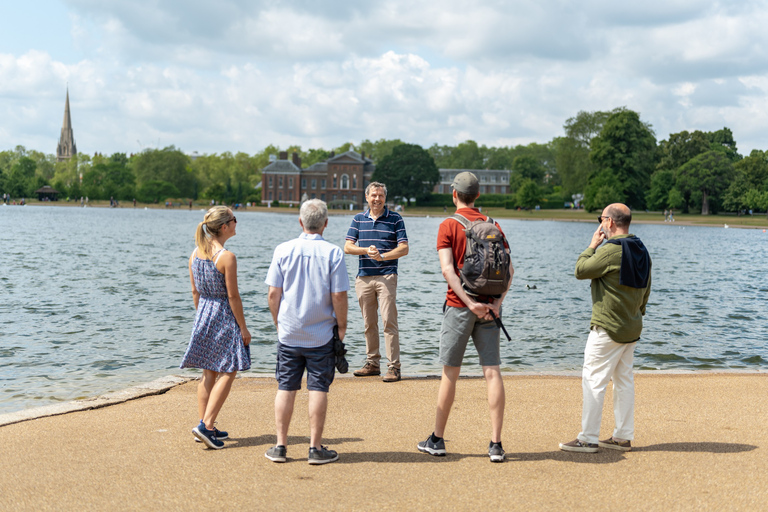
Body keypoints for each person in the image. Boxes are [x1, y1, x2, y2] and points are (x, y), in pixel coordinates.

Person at [418, 172, 513, 463]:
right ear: (478, 196)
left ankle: (437, 439)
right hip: (491, 309)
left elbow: (448, 270)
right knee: (492, 371)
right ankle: (495, 444)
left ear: (453, 194)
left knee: (450, 373)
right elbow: (510, 271)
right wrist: (496, 302)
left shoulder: (448, 224)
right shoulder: (493, 225)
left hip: (459, 306)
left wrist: (470, 303)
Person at [559, 203, 652, 453]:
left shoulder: (611, 251)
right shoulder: (641, 249)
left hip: (608, 328)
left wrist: (592, 245)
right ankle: (622, 437)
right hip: (631, 328)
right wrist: (635, 314)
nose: (599, 224)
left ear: (609, 222)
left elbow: (581, 270)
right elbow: (646, 290)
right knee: (624, 381)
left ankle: (587, 437)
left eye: (600, 219)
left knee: (593, 380)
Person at [264, 199, 349, 465]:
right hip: (321, 333)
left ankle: (280, 446)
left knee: (286, 387)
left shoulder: (283, 249)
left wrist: (278, 321)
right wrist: (342, 325)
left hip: (289, 332)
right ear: (326, 223)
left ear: (300, 222)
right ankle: (314, 448)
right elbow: (338, 296)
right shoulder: (334, 253)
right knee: (317, 388)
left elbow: (273, 293)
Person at [180, 206, 251, 449]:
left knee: (208, 371)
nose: (236, 223)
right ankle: (206, 426)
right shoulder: (226, 257)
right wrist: (243, 328)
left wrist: (201, 315)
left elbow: (194, 291)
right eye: (234, 220)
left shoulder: (195, 253)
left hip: (204, 314)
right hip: (222, 314)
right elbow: (233, 297)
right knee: (229, 370)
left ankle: (204, 424)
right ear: (224, 227)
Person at [344, 182, 409, 382]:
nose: (377, 199)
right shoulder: (358, 219)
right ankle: (372, 363)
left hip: (387, 276)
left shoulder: (395, 219)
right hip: (363, 277)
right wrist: (365, 250)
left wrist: (384, 256)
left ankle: (394, 367)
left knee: (389, 321)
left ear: (385, 198)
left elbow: (404, 248)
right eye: (374, 195)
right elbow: (347, 247)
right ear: (367, 197)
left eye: (380, 195)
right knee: (368, 323)